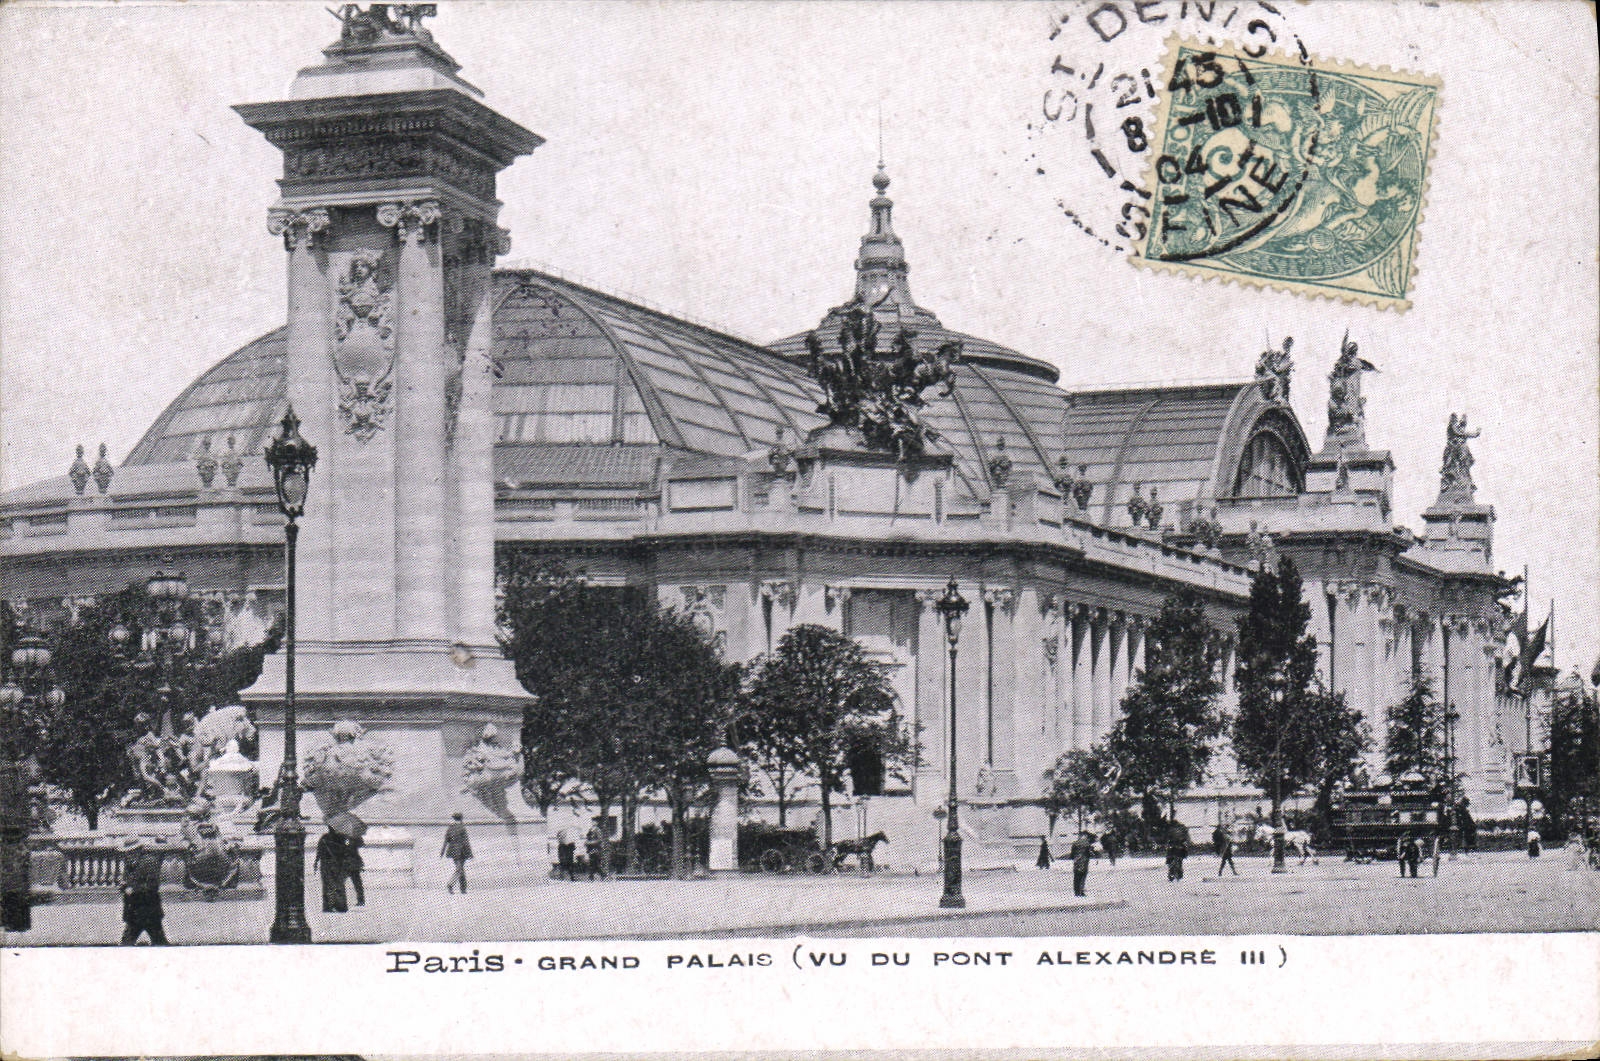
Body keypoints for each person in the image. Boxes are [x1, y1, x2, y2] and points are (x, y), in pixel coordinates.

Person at [120, 837, 168, 945]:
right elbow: (128, 882)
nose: (127, 854)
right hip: (134, 910)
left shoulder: (150, 862)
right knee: (159, 942)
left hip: (148, 909)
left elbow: (152, 885)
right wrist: (124, 886)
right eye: (127, 852)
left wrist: (132, 890)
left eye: (130, 851)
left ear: (138, 850)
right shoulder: (129, 864)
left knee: (159, 942)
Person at [315, 830, 349, 912]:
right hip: (338, 864)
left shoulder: (324, 838)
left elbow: (319, 851)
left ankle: (328, 906)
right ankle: (340, 906)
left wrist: (316, 861)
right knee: (339, 884)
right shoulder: (342, 837)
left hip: (326, 864)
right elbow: (345, 852)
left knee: (328, 885)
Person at [443, 812, 473, 893]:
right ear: (461, 818)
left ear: (454, 818)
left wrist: (443, 851)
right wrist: (470, 853)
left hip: (453, 851)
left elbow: (446, 840)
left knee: (460, 869)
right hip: (462, 851)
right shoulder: (462, 827)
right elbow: (466, 841)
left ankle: (463, 888)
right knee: (460, 869)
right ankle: (451, 884)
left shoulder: (450, 827)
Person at [1068, 831, 1094, 897]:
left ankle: (1076, 892)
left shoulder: (1075, 843)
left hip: (1076, 862)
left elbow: (1071, 855)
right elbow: (1090, 853)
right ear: (1085, 836)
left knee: (1076, 877)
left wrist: (1075, 857)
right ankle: (1081, 891)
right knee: (1083, 877)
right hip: (1084, 862)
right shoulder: (1087, 844)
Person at [344, 833, 366, 906]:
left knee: (357, 883)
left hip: (353, 863)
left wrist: (353, 838)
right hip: (344, 863)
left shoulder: (354, 836)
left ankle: (361, 900)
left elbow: (361, 843)